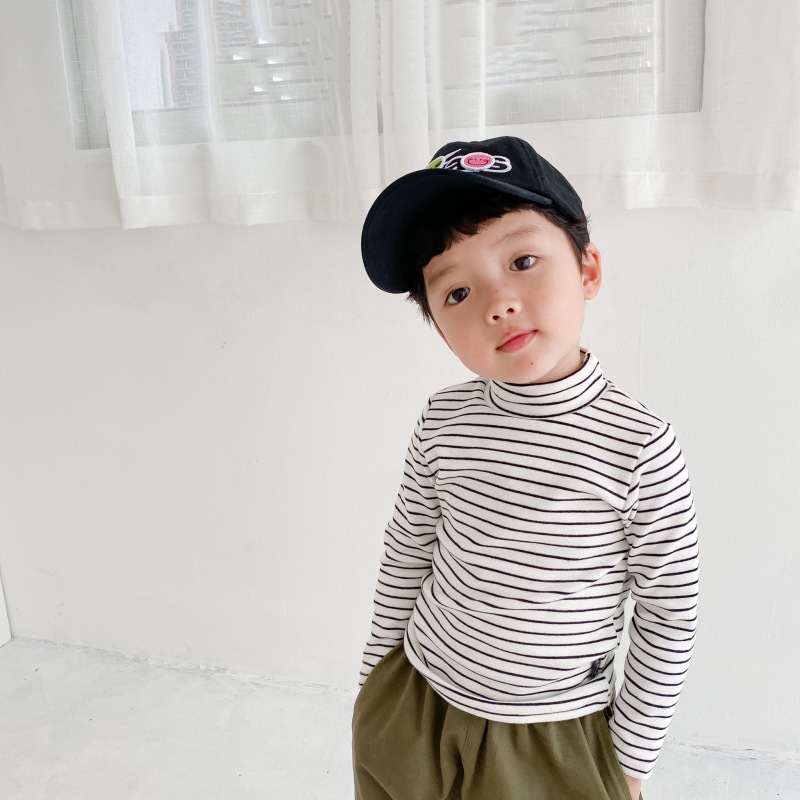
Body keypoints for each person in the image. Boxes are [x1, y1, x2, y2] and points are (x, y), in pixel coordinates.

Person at [352, 136, 699, 800]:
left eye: (523, 260)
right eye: (457, 292)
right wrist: (376, 681)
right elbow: (407, 552)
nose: (497, 302)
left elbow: (668, 611)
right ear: (439, 328)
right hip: (416, 701)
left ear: (588, 269)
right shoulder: (443, 421)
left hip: (551, 734)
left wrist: (631, 758)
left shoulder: (639, 446)